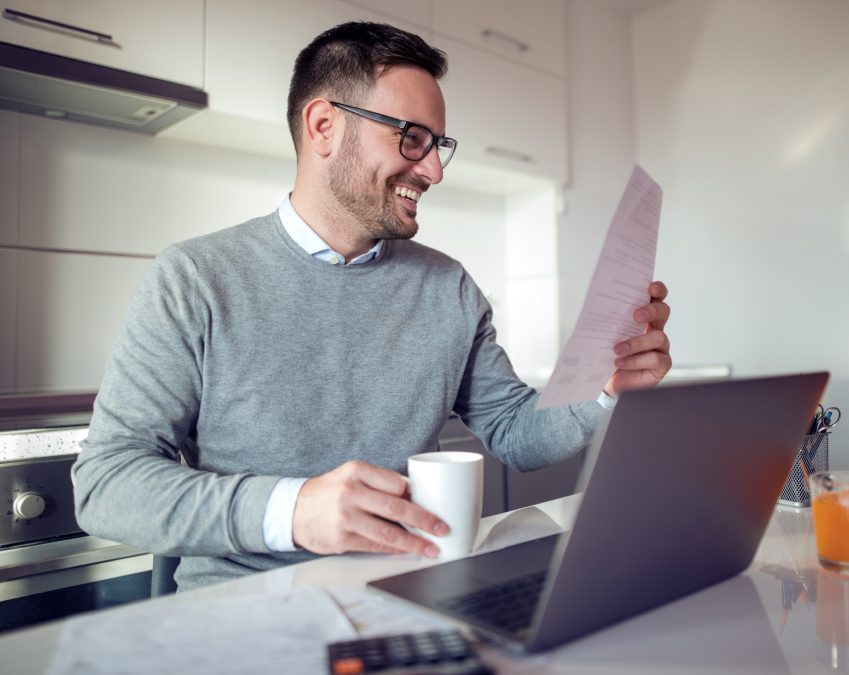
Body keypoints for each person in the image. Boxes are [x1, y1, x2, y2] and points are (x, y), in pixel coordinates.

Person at [73, 22, 672, 591]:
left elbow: (515, 433)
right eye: (411, 138)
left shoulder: (448, 287)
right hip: (247, 616)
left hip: (415, 594)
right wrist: (293, 510)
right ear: (324, 126)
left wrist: (605, 388)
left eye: (439, 146)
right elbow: (106, 485)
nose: (433, 169)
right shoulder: (195, 278)